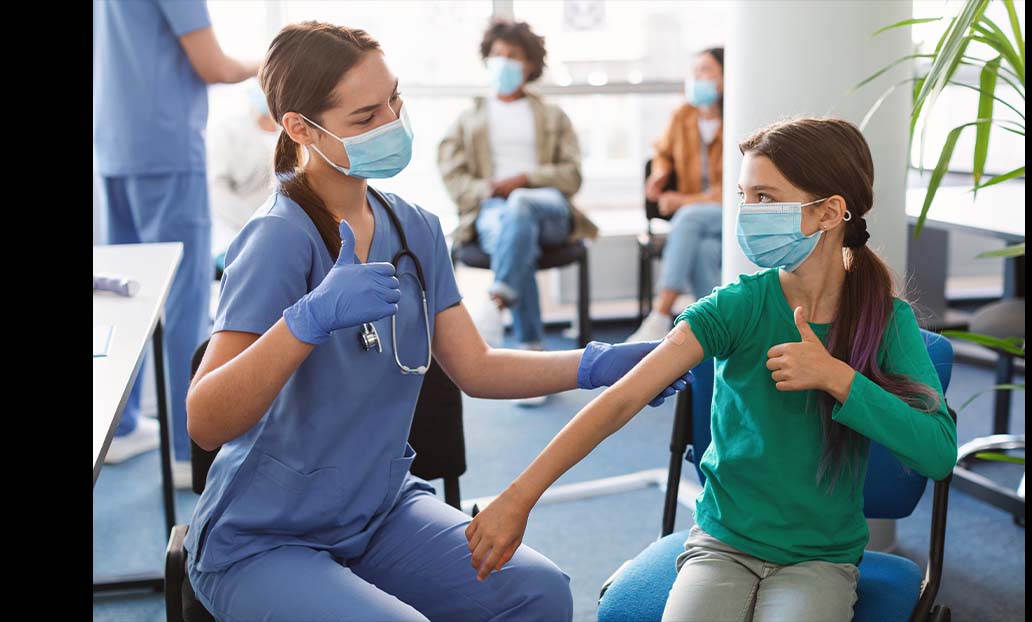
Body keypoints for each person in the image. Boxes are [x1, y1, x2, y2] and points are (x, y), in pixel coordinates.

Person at [183, 21, 690, 621]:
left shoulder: (414, 229)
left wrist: (599, 363)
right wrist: (307, 320)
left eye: (395, 100)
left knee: (538, 592)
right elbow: (206, 421)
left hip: (377, 509)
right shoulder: (277, 241)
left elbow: (476, 368)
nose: (392, 124)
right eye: (366, 117)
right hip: (267, 536)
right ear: (299, 127)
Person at [465, 117, 958, 622]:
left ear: (829, 212)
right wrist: (519, 497)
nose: (748, 213)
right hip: (721, 545)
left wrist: (837, 377)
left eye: (765, 198)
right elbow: (621, 401)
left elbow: (938, 454)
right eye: (744, 196)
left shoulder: (885, 320)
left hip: (820, 559)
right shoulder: (734, 308)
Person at [94, 0, 258, 487]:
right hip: (165, 145)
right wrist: (264, 61)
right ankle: (190, 452)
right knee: (185, 300)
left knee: (128, 295)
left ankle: (119, 428)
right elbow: (213, 65)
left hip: (113, 146)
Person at [438, 18, 597, 363]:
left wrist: (525, 179)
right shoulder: (468, 119)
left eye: (514, 55)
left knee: (521, 204)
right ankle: (531, 348)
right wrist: (488, 189)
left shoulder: (554, 116)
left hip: (549, 207)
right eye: (497, 54)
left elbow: (572, 176)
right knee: (516, 235)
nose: (504, 61)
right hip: (492, 209)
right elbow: (453, 177)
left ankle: (499, 303)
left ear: (530, 65)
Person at [628, 47, 726, 343]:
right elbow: (662, 153)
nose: (698, 78)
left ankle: (661, 312)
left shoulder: (739, 116)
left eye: (706, 71)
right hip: (701, 222)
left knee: (688, 216)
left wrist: (683, 201)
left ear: (726, 76)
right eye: (695, 72)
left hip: (728, 210)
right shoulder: (683, 115)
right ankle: (717, 329)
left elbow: (736, 188)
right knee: (704, 251)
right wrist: (659, 172)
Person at [208, 81, 281, 263]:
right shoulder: (228, 131)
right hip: (235, 232)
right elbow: (216, 190)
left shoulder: (292, 132)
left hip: (281, 229)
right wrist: (257, 223)